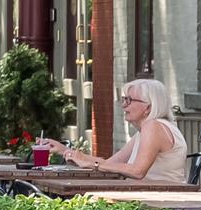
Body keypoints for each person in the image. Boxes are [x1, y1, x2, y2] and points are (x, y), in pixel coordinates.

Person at [37, 78, 188, 183]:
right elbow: (111, 164)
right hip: (149, 197)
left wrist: (91, 164)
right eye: (124, 99)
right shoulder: (147, 130)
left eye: (129, 100)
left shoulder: (153, 126)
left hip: (160, 203)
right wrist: (65, 150)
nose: (124, 105)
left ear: (148, 107)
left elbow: (137, 171)